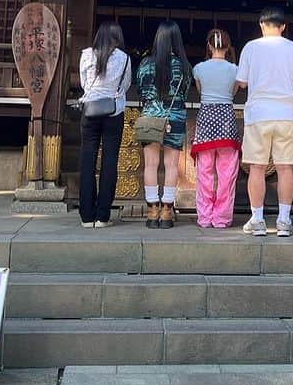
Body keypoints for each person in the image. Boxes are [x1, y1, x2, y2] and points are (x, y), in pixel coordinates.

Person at [236, 7, 293, 238]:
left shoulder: (250, 47)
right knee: (285, 167)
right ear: (283, 27)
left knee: (256, 168)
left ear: (261, 25)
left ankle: (257, 220)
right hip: (288, 113)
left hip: (259, 114)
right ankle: (284, 220)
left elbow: (242, 82)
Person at [137, 20, 192, 230]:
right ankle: (167, 211)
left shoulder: (145, 64)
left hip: (150, 116)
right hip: (175, 115)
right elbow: (185, 92)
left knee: (150, 165)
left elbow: (141, 90)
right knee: (171, 165)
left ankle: (152, 211)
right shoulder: (185, 66)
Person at [77, 22, 132, 229]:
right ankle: (102, 215)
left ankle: (86, 215)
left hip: (90, 112)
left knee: (87, 161)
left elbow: (84, 84)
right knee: (110, 161)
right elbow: (126, 85)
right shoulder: (124, 58)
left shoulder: (86, 55)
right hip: (113, 111)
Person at [191, 28, 241, 229]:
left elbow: (201, 91)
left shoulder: (199, 68)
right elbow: (234, 92)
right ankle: (222, 218)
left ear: (209, 46)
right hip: (226, 119)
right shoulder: (235, 70)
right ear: (228, 47)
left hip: (206, 120)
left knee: (204, 172)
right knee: (227, 172)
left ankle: (204, 217)